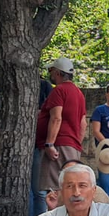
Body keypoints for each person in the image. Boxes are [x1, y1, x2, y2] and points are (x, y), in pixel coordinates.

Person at [36, 56, 87, 197]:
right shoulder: (79, 94)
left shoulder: (59, 91)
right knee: (69, 186)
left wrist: (49, 144)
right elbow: (83, 124)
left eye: (51, 70)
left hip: (58, 145)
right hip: (72, 146)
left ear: (58, 73)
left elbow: (56, 117)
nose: (49, 74)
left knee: (55, 189)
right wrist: (76, 144)